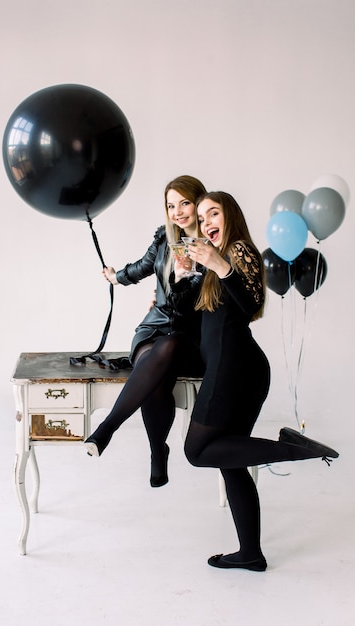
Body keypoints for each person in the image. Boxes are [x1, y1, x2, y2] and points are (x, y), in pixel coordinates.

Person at [183, 191, 339, 572]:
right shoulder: (214, 263)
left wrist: (220, 266)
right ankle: (250, 553)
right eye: (201, 219)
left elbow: (252, 303)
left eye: (213, 213)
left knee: (197, 451)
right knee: (230, 463)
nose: (205, 224)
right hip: (235, 370)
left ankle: (293, 448)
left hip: (234, 372)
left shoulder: (239, 251)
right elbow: (198, 320)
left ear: (230, 215)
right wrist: (184, 273)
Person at [84, 175, 206, 487]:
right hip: (153, 327)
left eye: (184, 203)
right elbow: (141, 267)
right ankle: (157, 450)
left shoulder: (211, 247)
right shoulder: (165, 240)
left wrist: (184, 279)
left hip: (190, 338)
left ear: (199, 203)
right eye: (170, 205)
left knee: (168, 348)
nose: (177, 211)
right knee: (155, 365)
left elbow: (204, 297)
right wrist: (116, 277)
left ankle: (108, 427)